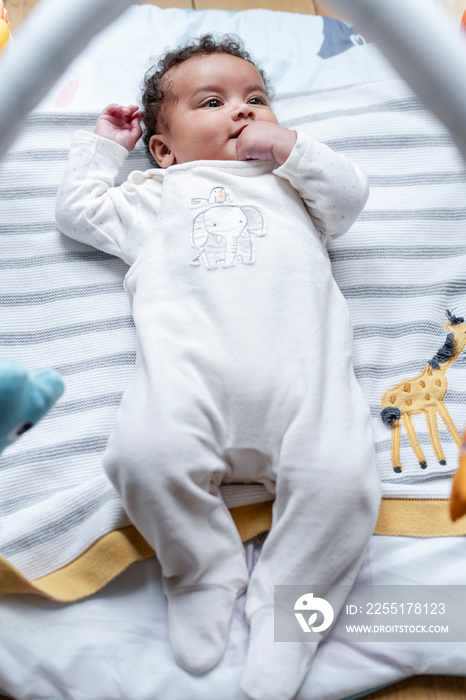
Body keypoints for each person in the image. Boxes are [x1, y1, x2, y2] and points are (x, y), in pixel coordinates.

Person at [55, 34, 381, 700]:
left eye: (256, 98)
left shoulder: (293, 183)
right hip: (188, 389)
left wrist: (295, 150)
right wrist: (101, 151)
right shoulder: (155, 195)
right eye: (214, 101)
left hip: (307, 393)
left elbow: (349, 201)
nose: (243, 112)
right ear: (165, 149)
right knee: (141, 457)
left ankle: (288, 617)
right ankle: (201, 571)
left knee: (344, 483)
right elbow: (79, 211)